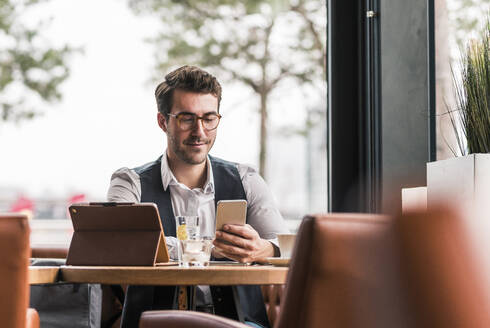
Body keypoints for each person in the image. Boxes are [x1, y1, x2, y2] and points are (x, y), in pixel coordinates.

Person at [107, 65, 289, 328]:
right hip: (154, 324)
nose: (200, 131)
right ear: (163, 122)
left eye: (209, 118)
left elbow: (284, 248)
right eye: (187, 118)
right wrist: (205, 248)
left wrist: (262, 248)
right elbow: (121, 245)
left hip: (238, 324)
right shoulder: (128, 183)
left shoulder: (247, 180)